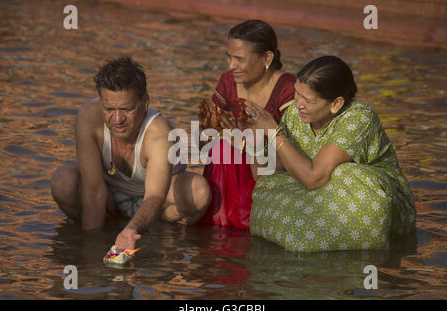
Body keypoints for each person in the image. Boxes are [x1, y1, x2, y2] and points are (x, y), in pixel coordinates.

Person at [245, 55, 416, 252]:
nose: (298, 104)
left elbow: (313, 179)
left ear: (336, 104)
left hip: (364, 200)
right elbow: (261, 172)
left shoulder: (359, 118)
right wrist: (256, 136)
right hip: (318, 189)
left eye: (308, 100)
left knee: (345, 173)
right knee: (272, 184)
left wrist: (274, 133)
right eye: (296, 93)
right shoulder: (294, 114)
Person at [51, 55, 211, 251]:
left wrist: (131, 230)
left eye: (127, 109)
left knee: (198, 191)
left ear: (145, 103)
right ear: (100, 101)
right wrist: (91, 249)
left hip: (159, 203)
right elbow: (93, 189)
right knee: (63, 181)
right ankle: (114, 226)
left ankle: (156, 235)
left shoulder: (160, 132)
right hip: (110, 196)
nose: (117, 119)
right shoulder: (87, 117)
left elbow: (154, 196)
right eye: (109, 109)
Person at [198, 20, 296, 229]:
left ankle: (246, 220)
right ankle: (218, 221)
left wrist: (246, 141)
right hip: (229, 178)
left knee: (230, 146)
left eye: (240, 59)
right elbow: (205, 149)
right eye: (230, 57)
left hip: (272, 174)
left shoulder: (288, 89)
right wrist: (206, 130)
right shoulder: (227, 81)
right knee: (221, 147)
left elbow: (296, 153)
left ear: (266, 58)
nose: (231, 66)